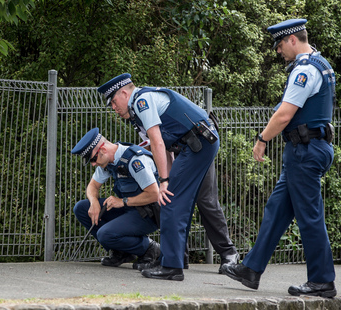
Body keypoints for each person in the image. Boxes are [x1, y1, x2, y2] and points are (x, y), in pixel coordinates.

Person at [221, 19, 337, 298]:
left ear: (293, 40)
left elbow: (284, 114)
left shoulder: (305, 71)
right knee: (276, 210)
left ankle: (322, 281)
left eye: (280, 44)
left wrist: (262, 140)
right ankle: (251, 269)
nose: (277, 50)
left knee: (309, 217)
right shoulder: (319, 64)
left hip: (305, 152)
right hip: (305, 150)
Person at [98, 73, 221, 281]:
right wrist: (168, 179)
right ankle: (173, 260)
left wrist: (164, 181)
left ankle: (172, 266)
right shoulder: (138, 109)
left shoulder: (142, 102)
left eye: (114, 101)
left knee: (170, 200)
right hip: (192, 145)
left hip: (199, 143)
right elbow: (166, 148)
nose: (113, 107)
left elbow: (157, 142)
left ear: (124, 93)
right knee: (171, 199)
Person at [137, 135, 239, 273]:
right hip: (180, 151)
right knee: (174, 201)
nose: (116, 111)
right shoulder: (139, 120)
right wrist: (168, 180)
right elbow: (163, 147)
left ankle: (229, 253)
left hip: (199, 146)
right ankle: (177, 258)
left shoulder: (149, 113)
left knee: (206, 201)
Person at [71, 128, 161, 268]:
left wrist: (122, 201)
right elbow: (92, 187)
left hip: (147, 213)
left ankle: (150, 248)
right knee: (82, 208)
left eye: (93, 159)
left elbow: (155, 194)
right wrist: (94, 202)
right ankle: (122, 252)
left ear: (103, 149)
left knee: (105, 234)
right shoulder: (107, 162)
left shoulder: (135, 160)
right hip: (128, 209)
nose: (94, 164)